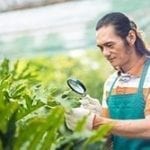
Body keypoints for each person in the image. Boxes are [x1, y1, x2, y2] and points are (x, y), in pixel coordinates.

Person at [65, 12, 150, 150]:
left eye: (110, 45)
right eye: (101, 47)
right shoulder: (111, 83)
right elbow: (107, 140)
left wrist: (98, 122)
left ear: (131, 37)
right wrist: (92, 119)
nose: (105, 53)